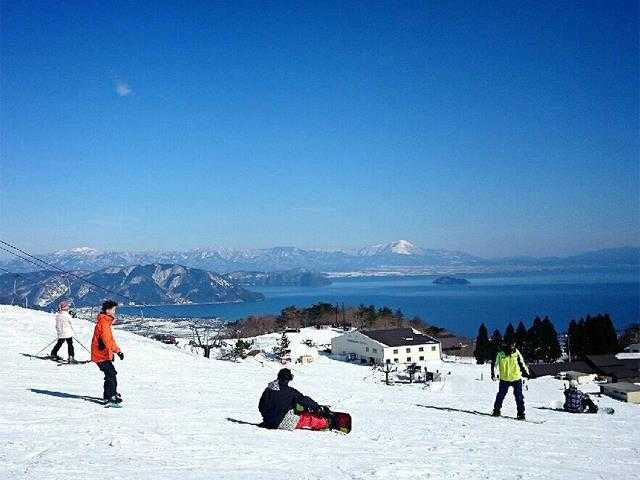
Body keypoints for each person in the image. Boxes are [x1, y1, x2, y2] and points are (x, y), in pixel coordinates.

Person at [258, 368, 331, 431]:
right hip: (283, 422)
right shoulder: (290, 392)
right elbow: (304, 400)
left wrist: (269, 418)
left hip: (268, 422)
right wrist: (317, 407)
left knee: (296, 408)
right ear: (288, 379)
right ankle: (326, 423)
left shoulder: (268, 390)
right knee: (306, 419)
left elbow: (261, 406)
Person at [91, 300, 124, 405]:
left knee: (111, 373)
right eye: (113, 310)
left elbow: (110, 340)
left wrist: (117, 350)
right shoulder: (104, 323)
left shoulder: (105, 322)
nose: (115, 312)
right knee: (111, 374)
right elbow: (107, 340)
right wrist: (117, 351)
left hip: (102, 354)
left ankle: (110, 393)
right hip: (101, 354)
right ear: (108, 310)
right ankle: (110, 396)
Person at [491, 340, 530, 420]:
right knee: (500, 396)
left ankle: (521, 414)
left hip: (516, 378)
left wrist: (526, 373)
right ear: (507, 345)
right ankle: (496, 411)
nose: (513, 347)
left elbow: (522, 362)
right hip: (504, 379)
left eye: (514, 345)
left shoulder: (516, 352)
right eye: (512, 345)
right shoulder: (500, 354)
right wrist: (494, 374)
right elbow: (495, 365)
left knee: (519, 397)